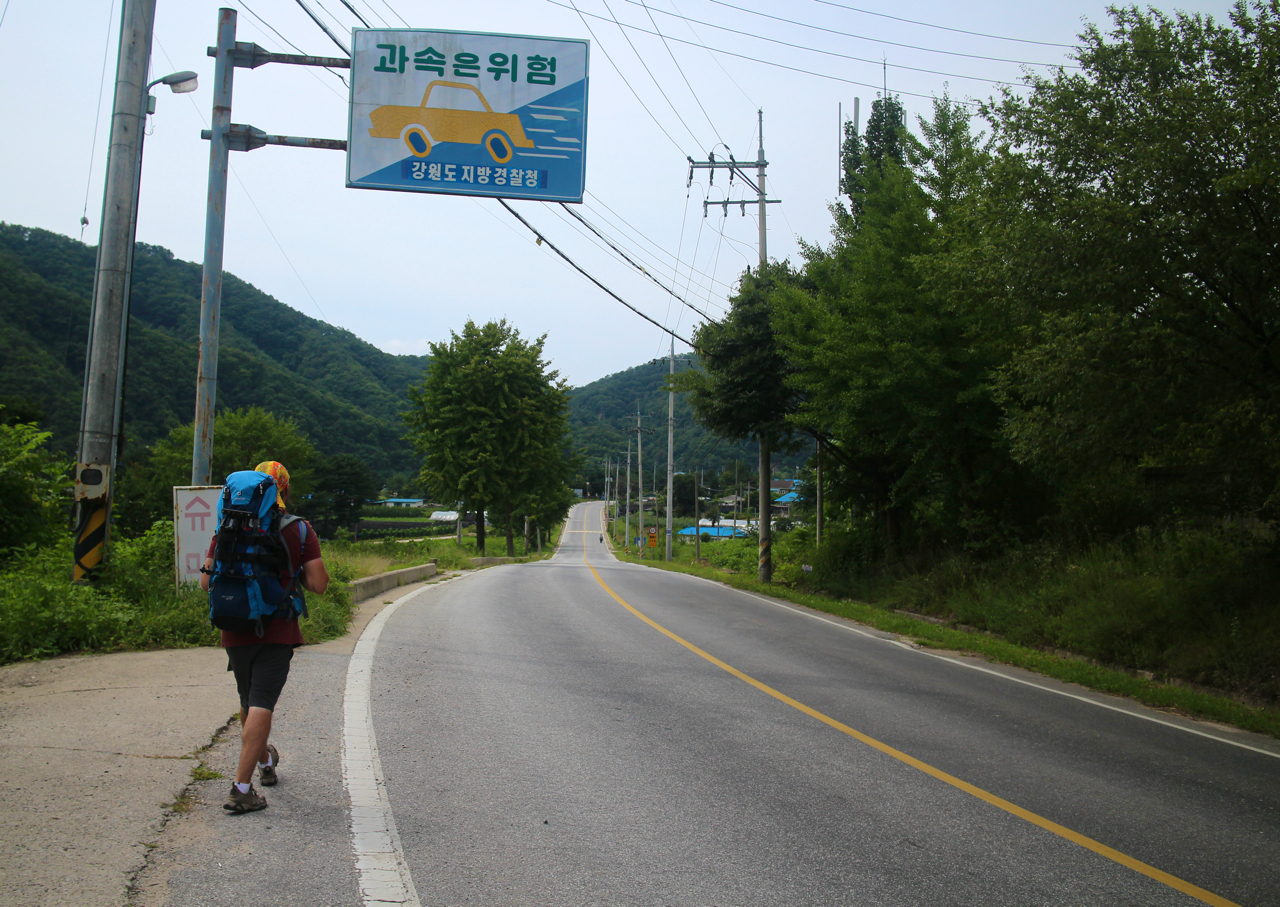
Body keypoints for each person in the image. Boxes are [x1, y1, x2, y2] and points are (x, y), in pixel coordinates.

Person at [200, 460, 329, 814]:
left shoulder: (227, 526)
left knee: (248, 700)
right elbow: (318, 585)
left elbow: (205, 582)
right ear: (283, 489)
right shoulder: (298, 530)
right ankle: (242, 789)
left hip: (233, 624)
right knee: (262, 702)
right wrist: (292, 573)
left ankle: (264, 763)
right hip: (276, 629)